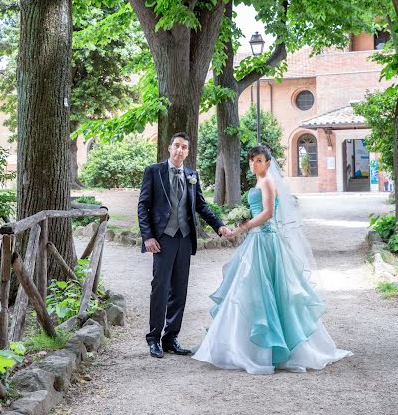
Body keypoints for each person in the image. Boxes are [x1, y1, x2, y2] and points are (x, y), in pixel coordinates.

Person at [193, 145, 352, 374]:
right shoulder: (259, 182)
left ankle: (271, 349)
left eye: (258, 160)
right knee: (251, 290)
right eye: (252, 161)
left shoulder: (267, 181)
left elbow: (268, 213)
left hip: (266, 241)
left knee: (266, 290)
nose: (254, 164)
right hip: (257, 239)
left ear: (268, 163)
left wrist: (242, 226)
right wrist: (244, 224)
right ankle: (244, 348)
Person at [138, 132, 229, 359]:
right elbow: (143, 206)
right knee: (160, 289)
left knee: (179, 290)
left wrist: (219, 226)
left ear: (188, 151)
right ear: (169, 148)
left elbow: (201, 206)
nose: (180, 150)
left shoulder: (192, 175)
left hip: (185, 240)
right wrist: (148, 237)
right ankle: (154, 338)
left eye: (184, 147)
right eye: (176, 146)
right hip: (162, 240)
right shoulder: (154, 171)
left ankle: (171, 338)